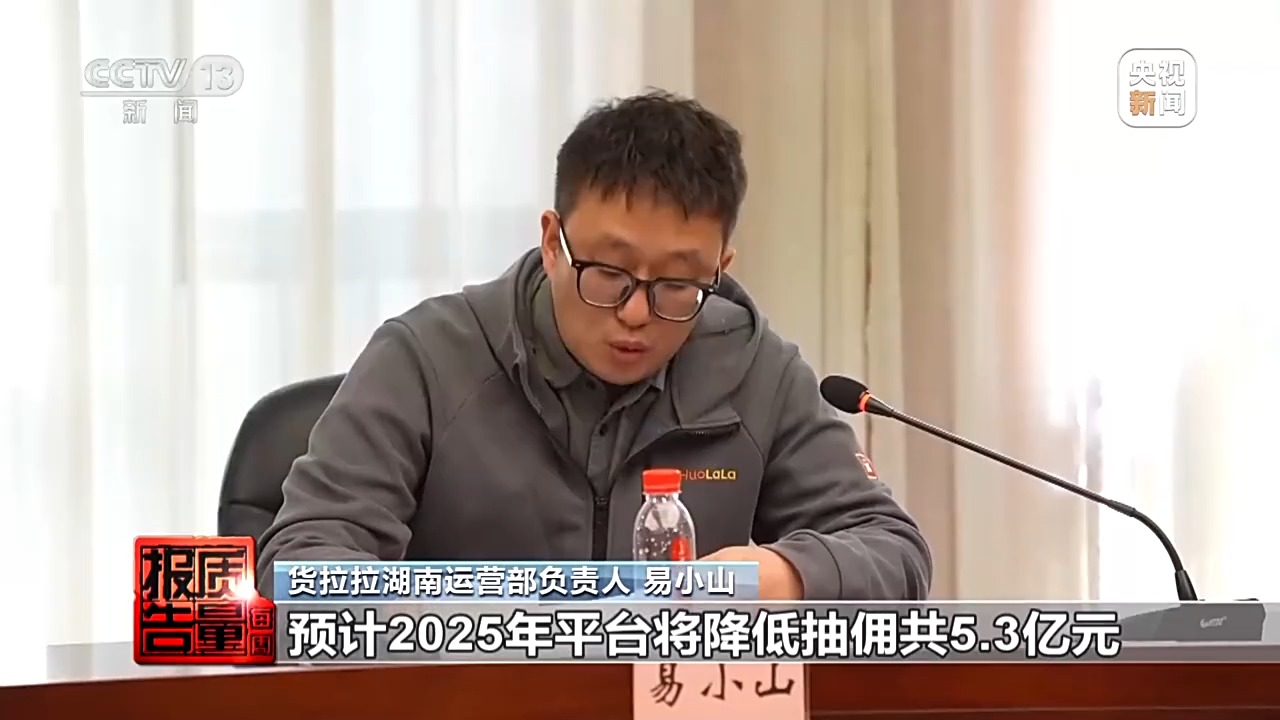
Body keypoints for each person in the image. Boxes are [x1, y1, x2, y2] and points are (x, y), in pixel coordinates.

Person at [255, 90, 931, 600]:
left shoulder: (758, 372)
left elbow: (893, 551)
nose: (635, 314)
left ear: (720, 267)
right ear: (553, 242)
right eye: (608, 273)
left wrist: (784, 574)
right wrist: (480, 615)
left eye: (678, 284)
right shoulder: (426, 359)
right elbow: (300, 563)